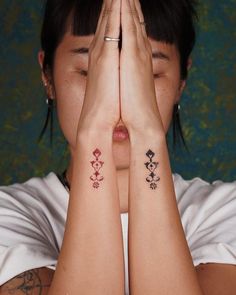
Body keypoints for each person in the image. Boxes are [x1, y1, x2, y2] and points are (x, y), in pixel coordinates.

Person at [0, 0, 236, 294]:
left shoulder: (226, 211)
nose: (120, 96)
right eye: (90, 73)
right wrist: (95, 130)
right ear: (48, 75)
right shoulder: (7, 215)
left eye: (148, 74)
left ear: (181, 82)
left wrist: (147, 133)